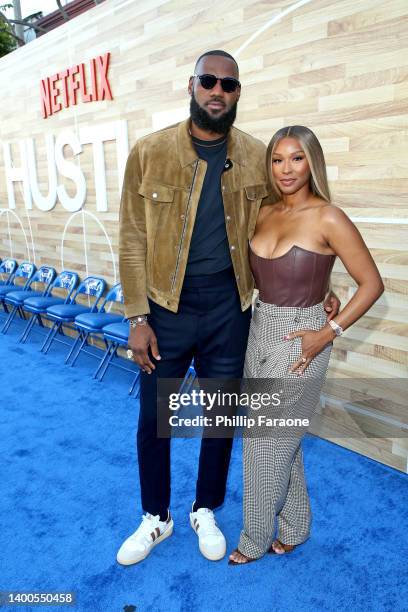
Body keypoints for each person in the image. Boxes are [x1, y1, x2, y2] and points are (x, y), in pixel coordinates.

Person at [117, 51, 340, 566]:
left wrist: (320, 283)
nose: (218, 91)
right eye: (208, 81)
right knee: (156, 417)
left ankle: (205, 508)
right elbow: (131, 238)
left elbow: (290, 221)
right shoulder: (149, 153)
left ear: (238, 92)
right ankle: (157, 517)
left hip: (230, 307)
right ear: (190, 85)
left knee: (220, 414)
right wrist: (136, 317)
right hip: (165, 308)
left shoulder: (258, 155)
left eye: (229, 84)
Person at [228, 125, 384, 565]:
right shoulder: (263, 213)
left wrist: (328, 332)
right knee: (283, 441)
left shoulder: (329, 216)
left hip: (304, 339)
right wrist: (325, 284)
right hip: (261, 328)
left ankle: (253, 538)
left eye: (296, 158)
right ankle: (296, 525)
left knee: (263, 442)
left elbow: (372, 284)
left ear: (311, 161)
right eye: (277, 159)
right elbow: (290, 270)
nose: (286, 168)